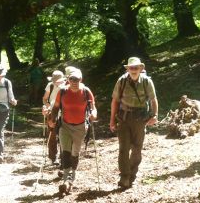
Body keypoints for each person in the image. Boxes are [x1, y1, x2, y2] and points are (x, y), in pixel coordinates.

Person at [109, 57, 158, 189]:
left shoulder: (147, 82)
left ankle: (132, 172)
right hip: (124, 118)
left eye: (136, 67)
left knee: (137, 147)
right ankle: (125, 176)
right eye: (131, 67)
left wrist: (154, 116)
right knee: (123, 148)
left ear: (141, 68)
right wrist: (112, 120)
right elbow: (114, 101)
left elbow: (153, 100)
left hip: (140, 119)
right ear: (128, 69)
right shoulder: (122, 81)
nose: (134, 70)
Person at [48, 67, 97, 194]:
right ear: (68, 80)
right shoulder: (62, 91)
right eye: (72, 79)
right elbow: (56, 107)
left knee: (75, 152)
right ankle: (66, 178)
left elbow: (93, 108)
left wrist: (94, 115)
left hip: (80, 127)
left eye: (77, 79)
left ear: (81, 79)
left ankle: (72, 176)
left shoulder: (86, 92)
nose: (74, 82)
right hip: (65, 126)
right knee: (65, 151)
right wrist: (52, 119)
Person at [41, 70, 66, 166]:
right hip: (52, 112)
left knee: (64, 136)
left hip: (64, 113)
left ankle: (64, 158)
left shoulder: (66, 86)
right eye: (55, 81)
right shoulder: (50, 85)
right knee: (52, 135)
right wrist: (47, 106)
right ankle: (53, 157)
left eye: (58, 81)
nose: (56, 82)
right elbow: (44, 98)